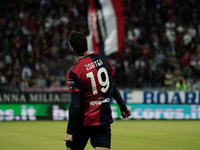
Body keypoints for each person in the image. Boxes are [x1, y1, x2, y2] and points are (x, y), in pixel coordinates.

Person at [63, 30, 132, 150]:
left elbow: (75, 104)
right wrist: (123, 107)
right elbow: (112, 86)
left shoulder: (74, 72)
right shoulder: (104, 60)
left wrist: (69, 131)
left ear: (72, 48)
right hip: (103, 121)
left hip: (83, 123)